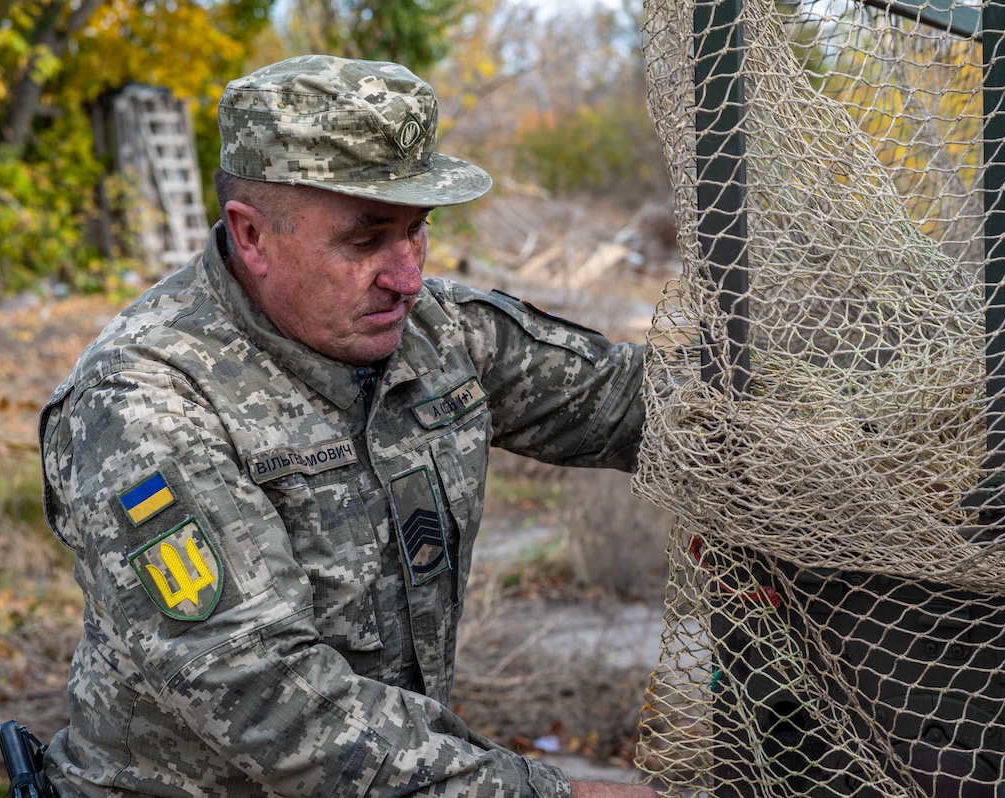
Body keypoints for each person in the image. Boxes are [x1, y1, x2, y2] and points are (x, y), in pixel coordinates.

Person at [38, 54, 655, 798]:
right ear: (253, 237)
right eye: (365, 242)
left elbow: (634, 400)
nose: (408, 275)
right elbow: (271, 702)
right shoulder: (142, 403)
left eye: (416, 231)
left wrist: (775, 477)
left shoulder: (433, 331)